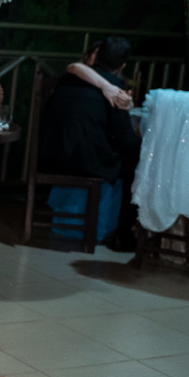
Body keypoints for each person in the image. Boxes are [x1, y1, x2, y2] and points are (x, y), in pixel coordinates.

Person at [39, 36, 140, 248]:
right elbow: (125, 139)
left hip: (50, 154)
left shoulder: (69, 77)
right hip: (86, 163)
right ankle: (118, 231)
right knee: (131, 160)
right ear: (122, 65)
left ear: (95, 56)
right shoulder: (114, 87)